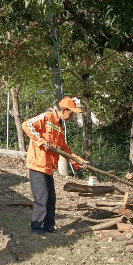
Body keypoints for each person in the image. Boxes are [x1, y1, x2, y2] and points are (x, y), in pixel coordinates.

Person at [22, 96, 88, 234]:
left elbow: (64, 149)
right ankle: (37, 229)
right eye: (71, 113)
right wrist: (41, 140)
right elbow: (26, 125)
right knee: (42, 198)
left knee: (51, 198)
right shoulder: (46, 117)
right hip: (37, 164)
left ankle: (49, 227)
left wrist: (79, 162)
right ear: (64, 110)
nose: (72, 116)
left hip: (48, 167)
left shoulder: (59, 126)